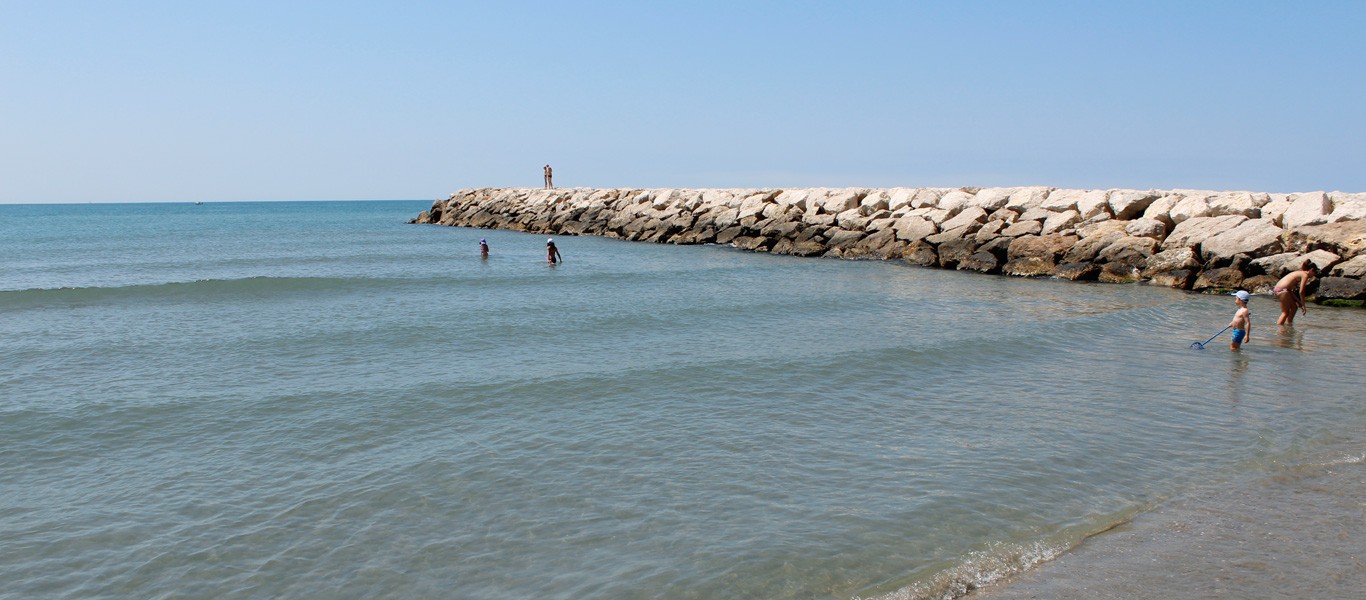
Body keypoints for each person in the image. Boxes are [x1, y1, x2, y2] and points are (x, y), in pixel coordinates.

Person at [1272, 260, 1317, 325]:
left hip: (1278, 290)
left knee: (1294, 308)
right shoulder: (1305, 275)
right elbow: (1301, 291)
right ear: (1311, 270)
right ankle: (1280, 330)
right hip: (1282, 291)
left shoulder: (1299, 273)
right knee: (1285, 312)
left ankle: (1289, 325)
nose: (1314, 275)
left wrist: (1299, 302)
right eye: (1315, 272)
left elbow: (1289, 291)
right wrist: (1304, 305)